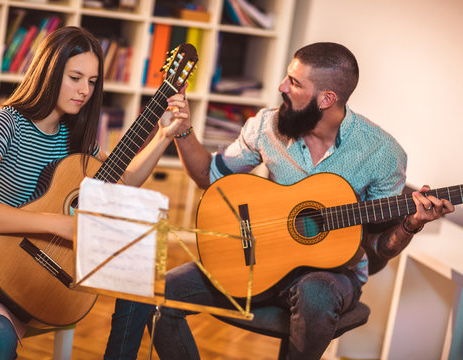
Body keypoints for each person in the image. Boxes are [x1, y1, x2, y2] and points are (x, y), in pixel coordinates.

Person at [104, 42, 455, 360]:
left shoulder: (382, 154)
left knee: (315, 294)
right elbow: (209, 176)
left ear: (326, 99)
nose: (281, 87)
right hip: (257, 257)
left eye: (294, 82)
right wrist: (180, 129)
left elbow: (378, 248)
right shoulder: (267, 126)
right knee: (159, 297)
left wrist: (411, 224)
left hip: (331, 275)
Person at [0, 26, 188, 359]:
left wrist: (164, 136)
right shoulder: (7, 122)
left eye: (91, 82)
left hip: (46, 271)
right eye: (75, 77)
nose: (84, 91)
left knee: (142, 262)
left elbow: (125, 179)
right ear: (50, 71)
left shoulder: (75, 136)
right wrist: (55, 223)